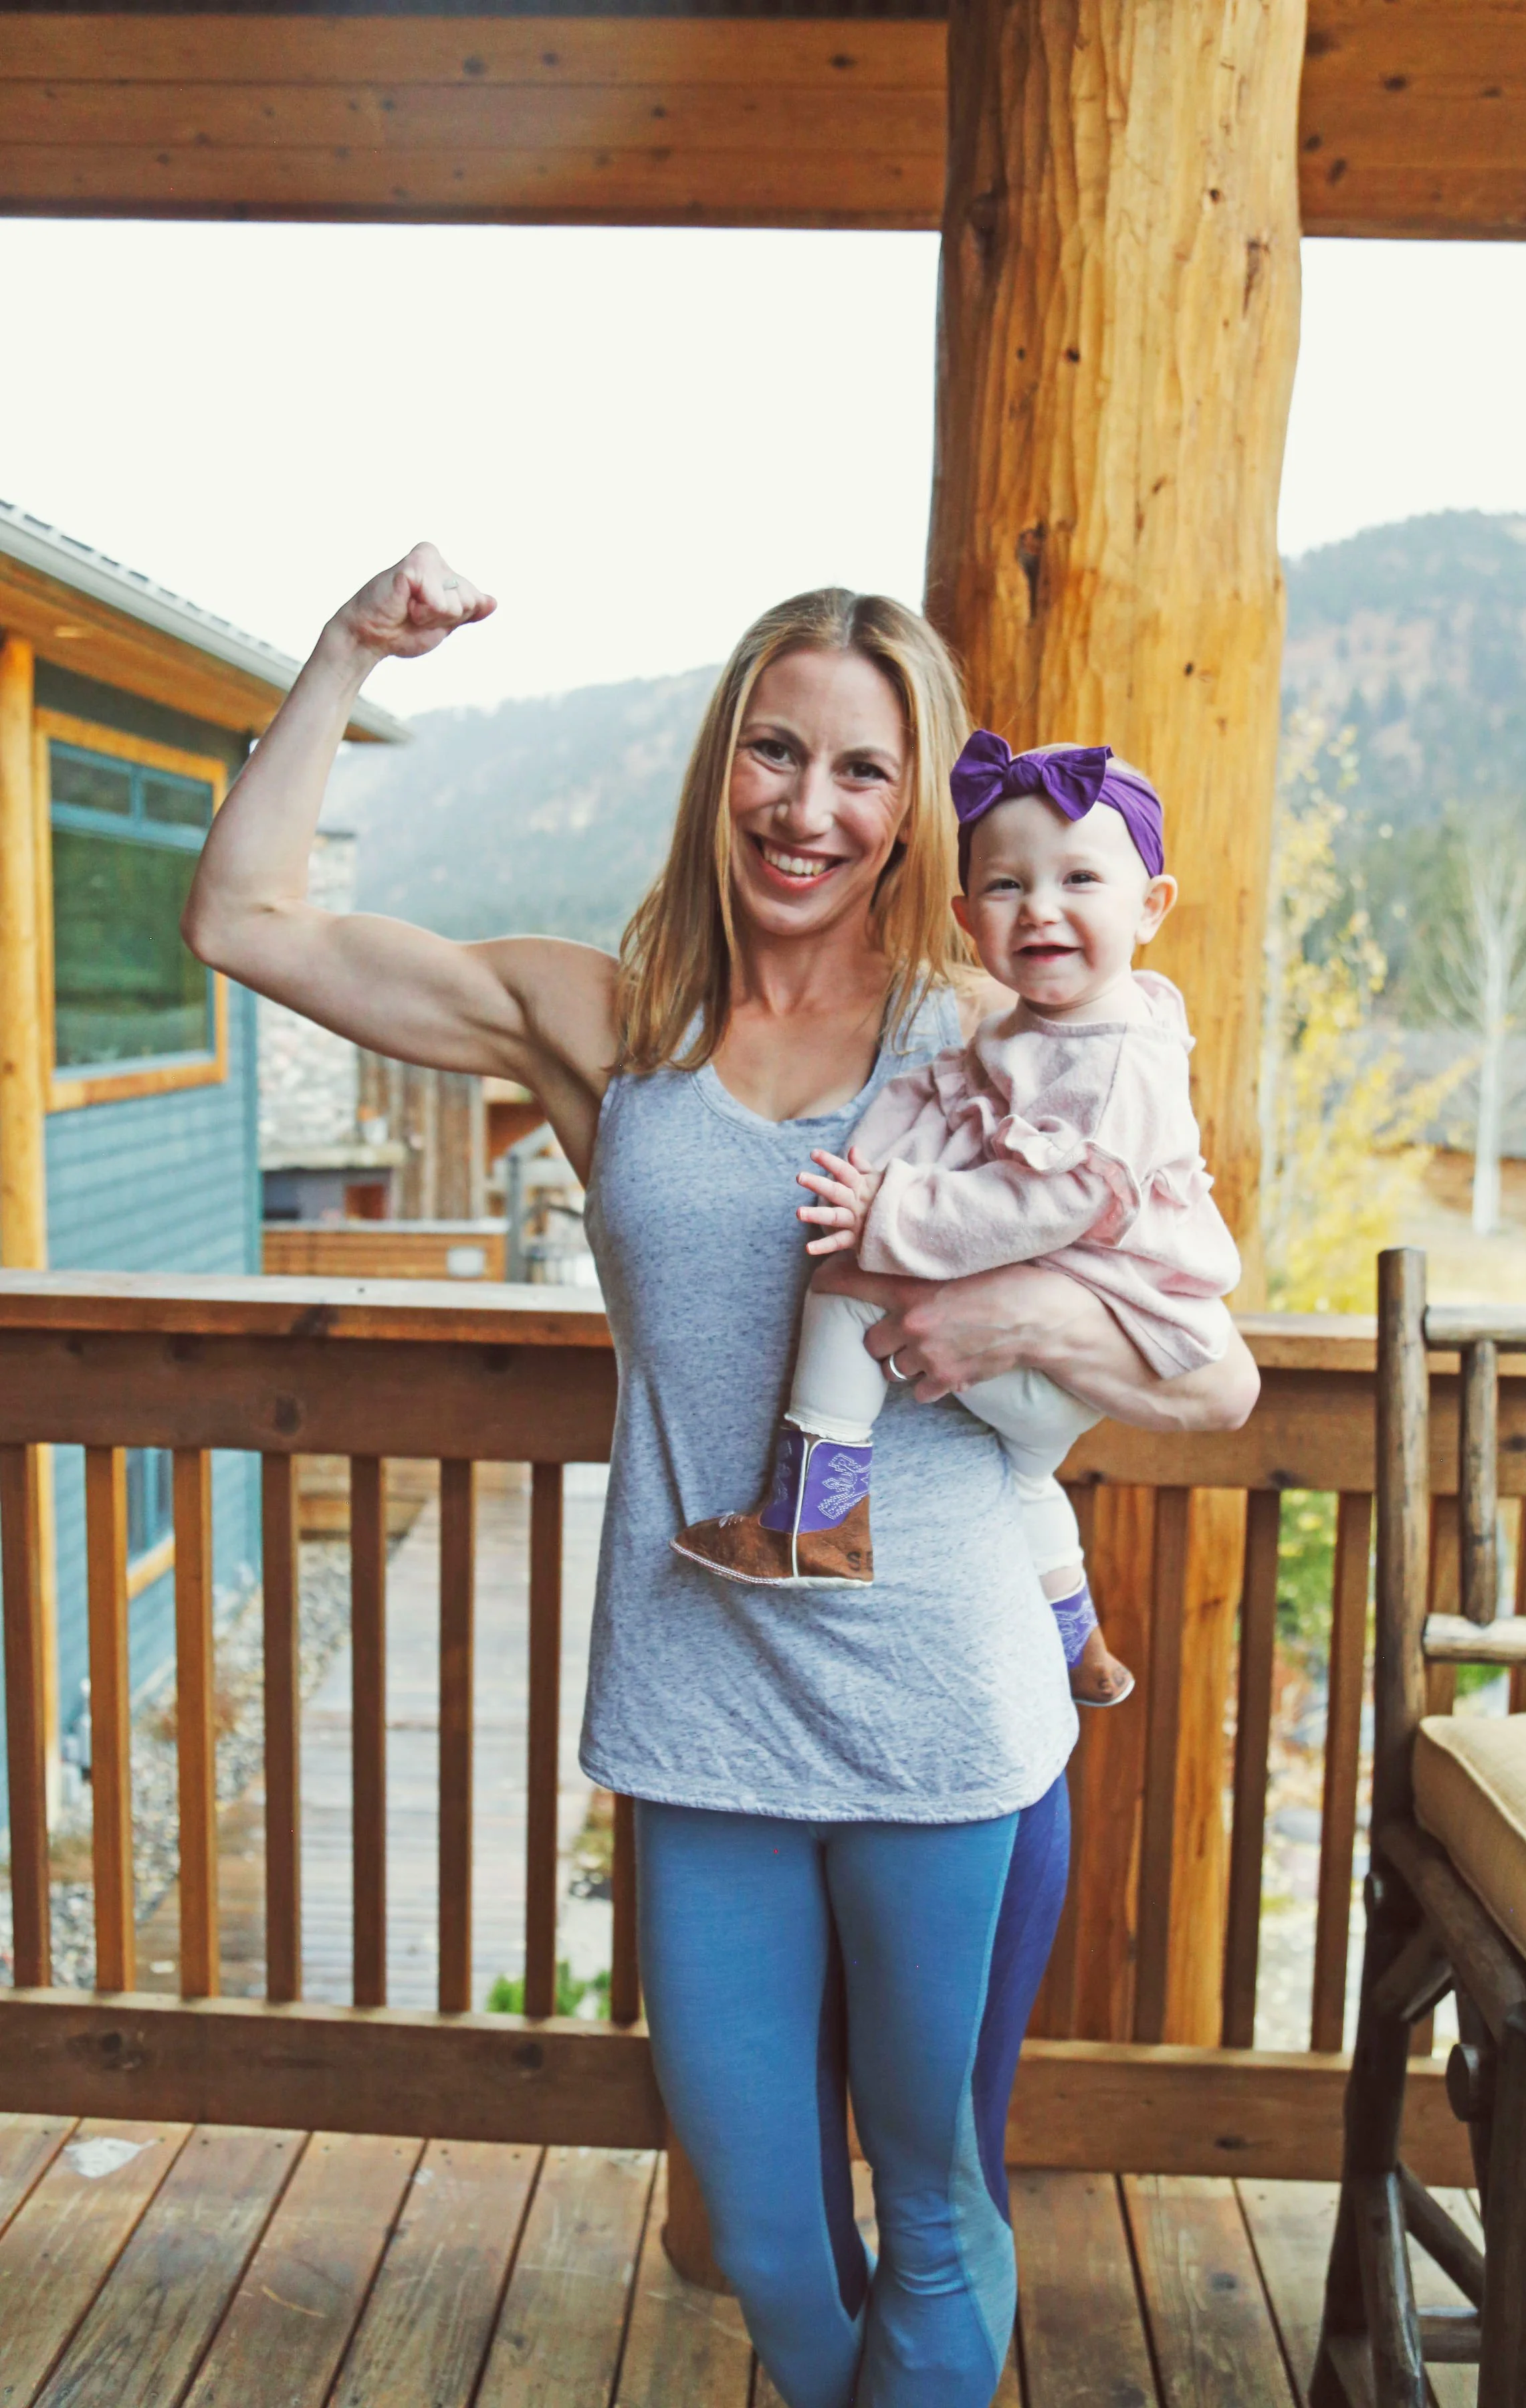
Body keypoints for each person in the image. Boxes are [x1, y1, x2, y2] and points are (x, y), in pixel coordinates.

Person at [183, 544, 1259, 2408]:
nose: (811, 807)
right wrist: (353, 649)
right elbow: (248, 918)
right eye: (778, 752)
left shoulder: (994, 1035)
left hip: (949, 1716)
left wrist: (1007, 1318)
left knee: (932, 2210)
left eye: (865, 771)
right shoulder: (613, 1027)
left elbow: (1217, 1368)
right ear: (721, 768)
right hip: (698, 1718)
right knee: (764, 2236)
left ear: (920, 806)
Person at [673, 731, 1240, 1714]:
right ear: (966, 915)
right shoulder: (1054, 1026)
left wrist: (887, 1209)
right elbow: (960, 1112)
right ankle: (1082, 1647)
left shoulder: (1111, 1062)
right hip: (1076, 1356)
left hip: (1095, 1331)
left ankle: (814, 1520)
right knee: (1023, 1485)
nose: (1043, 910)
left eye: (1080, 880)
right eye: (1009, 887)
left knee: (848, 1287)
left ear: (1152, 908)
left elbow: (1051, 1200)